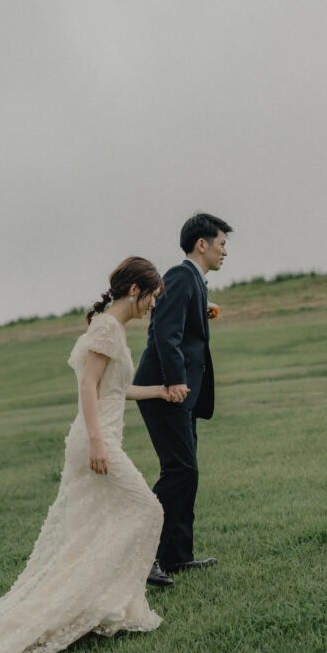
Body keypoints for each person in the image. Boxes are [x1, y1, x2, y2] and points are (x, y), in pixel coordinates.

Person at [0, 257, 175, 653]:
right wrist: (97, 441)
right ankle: (95, 602)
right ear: (134, 291)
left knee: (90, 531)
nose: (153, 305)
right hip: (97, 442)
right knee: (149, 510)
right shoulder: (108, 328)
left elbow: (114, 388)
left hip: (102, 438)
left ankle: (99, 605)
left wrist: (159, 392)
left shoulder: (112, 328)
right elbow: (87, 386)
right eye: (152, 297)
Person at [134, 213, 233, 584]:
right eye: (222, 244)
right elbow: (165, 332)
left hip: (182, 393)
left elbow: (179, 322)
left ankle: (176, 557)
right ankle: (143, 557)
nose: (225, 252)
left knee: (185, 473)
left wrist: (203, 311)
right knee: (180, 471)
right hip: (165, 391)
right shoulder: (179, 275)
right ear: (202, 244)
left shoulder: (194, 281)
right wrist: (175, 381)